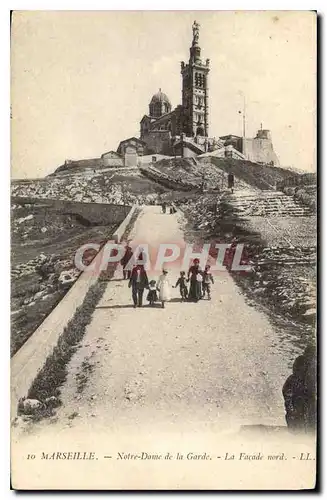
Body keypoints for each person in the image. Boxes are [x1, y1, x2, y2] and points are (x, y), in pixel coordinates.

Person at [282, 355, 308, 432]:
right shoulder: (292, 379)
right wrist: (292, 410)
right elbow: (287, 397)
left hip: (301, 413)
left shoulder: (305, 379)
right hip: (294, 413)